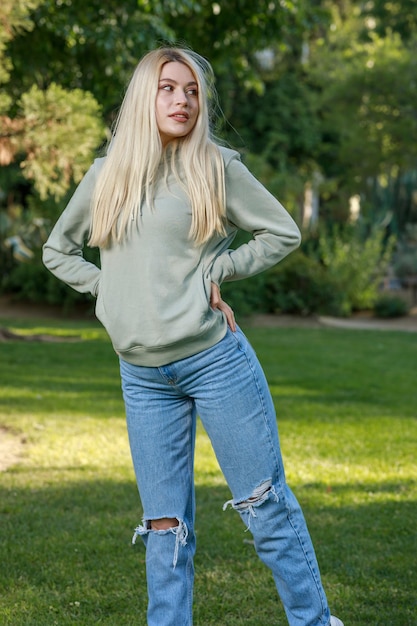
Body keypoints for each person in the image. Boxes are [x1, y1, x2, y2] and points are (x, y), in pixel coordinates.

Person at [43, 46, 344, 626]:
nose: (181, 99)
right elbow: (58, 250)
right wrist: (107, 292)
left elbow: (282, 231)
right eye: (168, 88)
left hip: (214, 362)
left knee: (265, 508)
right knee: (164, 528)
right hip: (141, 375)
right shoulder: (107, 175)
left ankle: (314, 621)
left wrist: (219, 269)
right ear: (144, 97)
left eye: (192, 91)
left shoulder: (216, 166)